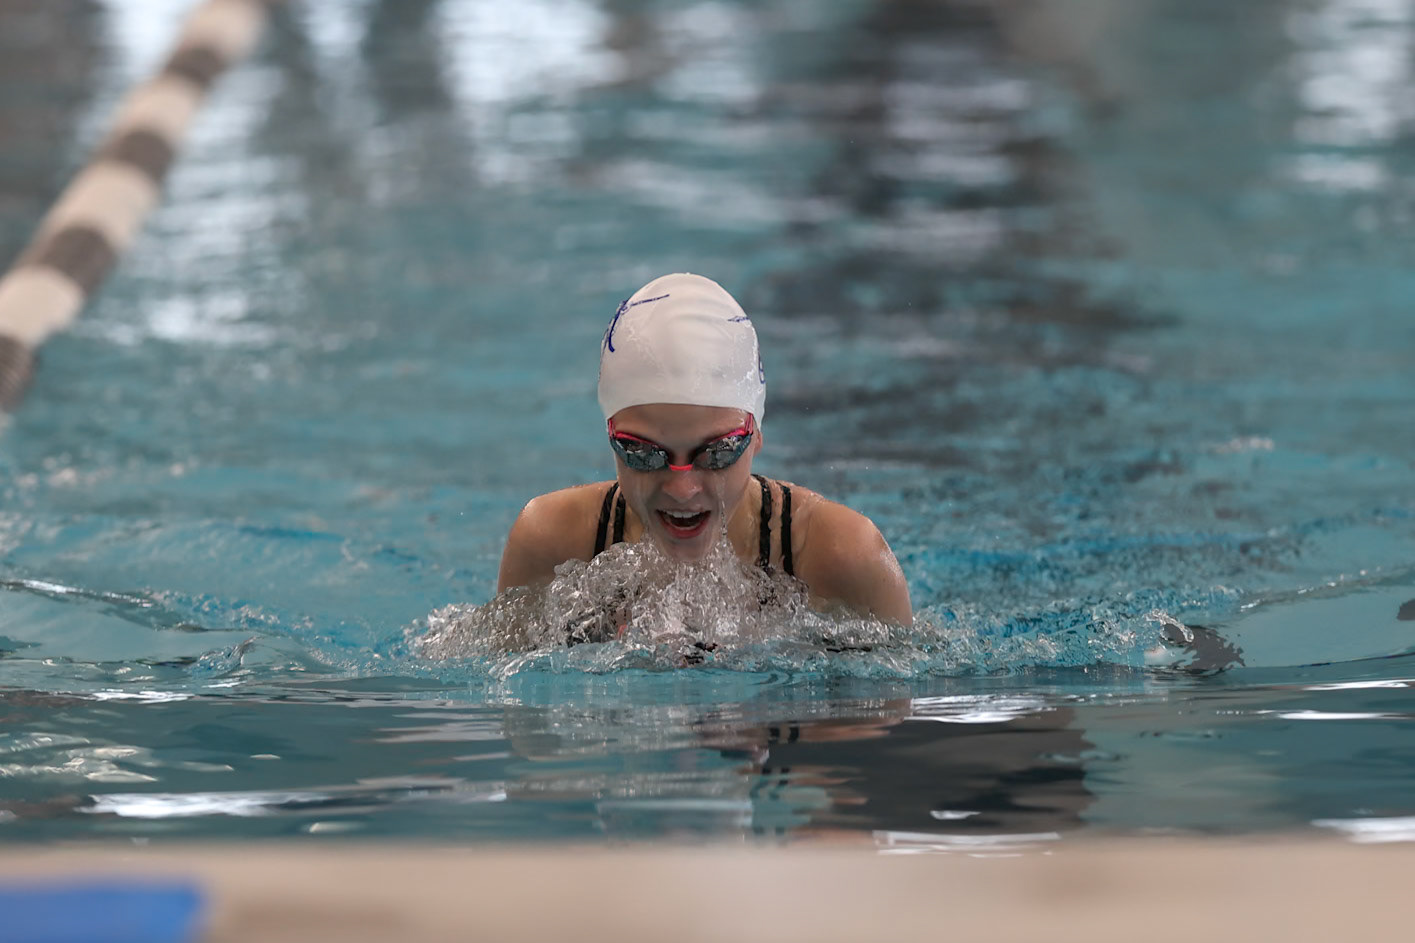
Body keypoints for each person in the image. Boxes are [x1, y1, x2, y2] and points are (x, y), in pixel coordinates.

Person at [496, 273, 913, 626]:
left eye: (717, 453)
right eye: (644, 453)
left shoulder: (844, 559)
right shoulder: (551, 545)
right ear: (610, 437)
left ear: (757, 434)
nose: (683, 489)